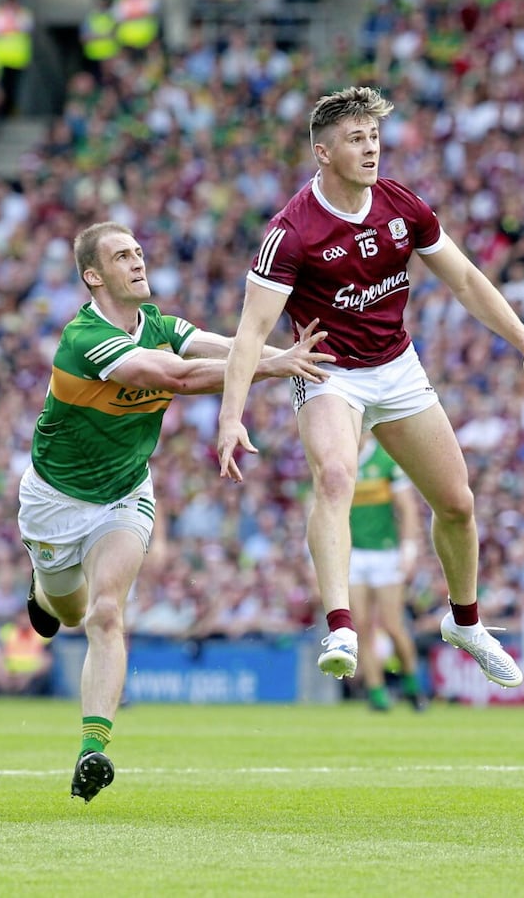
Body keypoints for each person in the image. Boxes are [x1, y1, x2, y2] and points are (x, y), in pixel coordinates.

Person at [217, 85, 524, 689]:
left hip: (398, 368)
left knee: (457, 502)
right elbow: (250, 334)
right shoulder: (291, 231)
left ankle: (466, 624)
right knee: (337, 477)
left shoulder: (401, 205)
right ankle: (342, 626)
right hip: (329, 373)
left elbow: (468, 282)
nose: (371, 148)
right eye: (356, 139)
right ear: (323, 153)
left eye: (374, 136)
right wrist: (231, 415)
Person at [18, 220, 333, 803]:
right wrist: (272, 365)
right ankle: (39, 591)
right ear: (94, 276)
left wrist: (284, 352)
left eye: (139, 251)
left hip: (125, 495)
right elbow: (180, 377)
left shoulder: (159, 323)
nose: (138, 261)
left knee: (106, 614)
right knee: (66, 610)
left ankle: (93, 749)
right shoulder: (84, 339)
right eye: (121, 256)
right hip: (55, 504)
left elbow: (216, 345)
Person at [348, 433, 427, 712]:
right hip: (353, 554)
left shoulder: (384, 460)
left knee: (392, 626)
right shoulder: (339, 457)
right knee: (363, 627)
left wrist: (409, 550)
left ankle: (411, 683)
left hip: (385, 553)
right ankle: (376, 691)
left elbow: (407, 509)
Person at [0, 609, 54, 697]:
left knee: (46, 662)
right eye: (22, 617)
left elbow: (47, 657)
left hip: (32, 673)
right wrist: (2, 673)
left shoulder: (41, 632)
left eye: (27, 618)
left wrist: (28, 676)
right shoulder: (7, 631)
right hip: (9, 672)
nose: (24, 621)